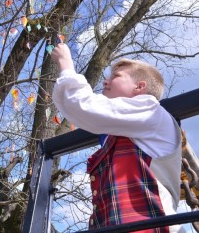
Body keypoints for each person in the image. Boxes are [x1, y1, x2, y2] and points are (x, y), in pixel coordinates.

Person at [51, 43, 184, 232]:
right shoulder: (126, 130)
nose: (105, 82)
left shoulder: (150, 110)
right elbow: (79, 111)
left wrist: (66, 64)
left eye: (115, 76)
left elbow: (84, 108)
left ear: (140, 87)